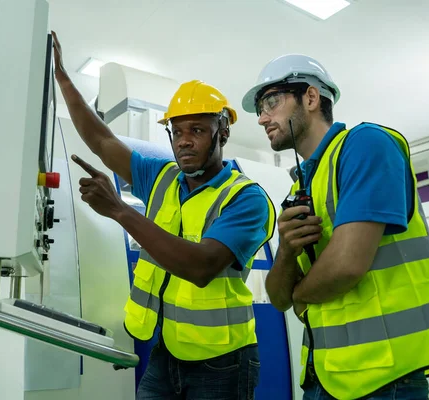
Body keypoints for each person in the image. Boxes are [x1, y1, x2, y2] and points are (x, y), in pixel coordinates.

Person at [52, 31, 276, 400]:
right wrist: (63, 77)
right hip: (167, 351)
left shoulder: (245, 198)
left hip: (224, 363)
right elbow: (102, 141)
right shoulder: (163, 176)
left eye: (198, 130)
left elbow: (201, 267)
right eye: (178, 131)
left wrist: (121, 211)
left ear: (223, 132)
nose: (184, 141)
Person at [242, 54, 429, 400]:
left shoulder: (366, 144)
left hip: (384, 378)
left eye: (271, 101)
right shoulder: (302, 187)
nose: (262, 117)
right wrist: (286, 251)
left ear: (311, 98)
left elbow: (346, 265)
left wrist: (301, 296)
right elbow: (277, 298)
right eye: (260, 107)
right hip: (326, 376)